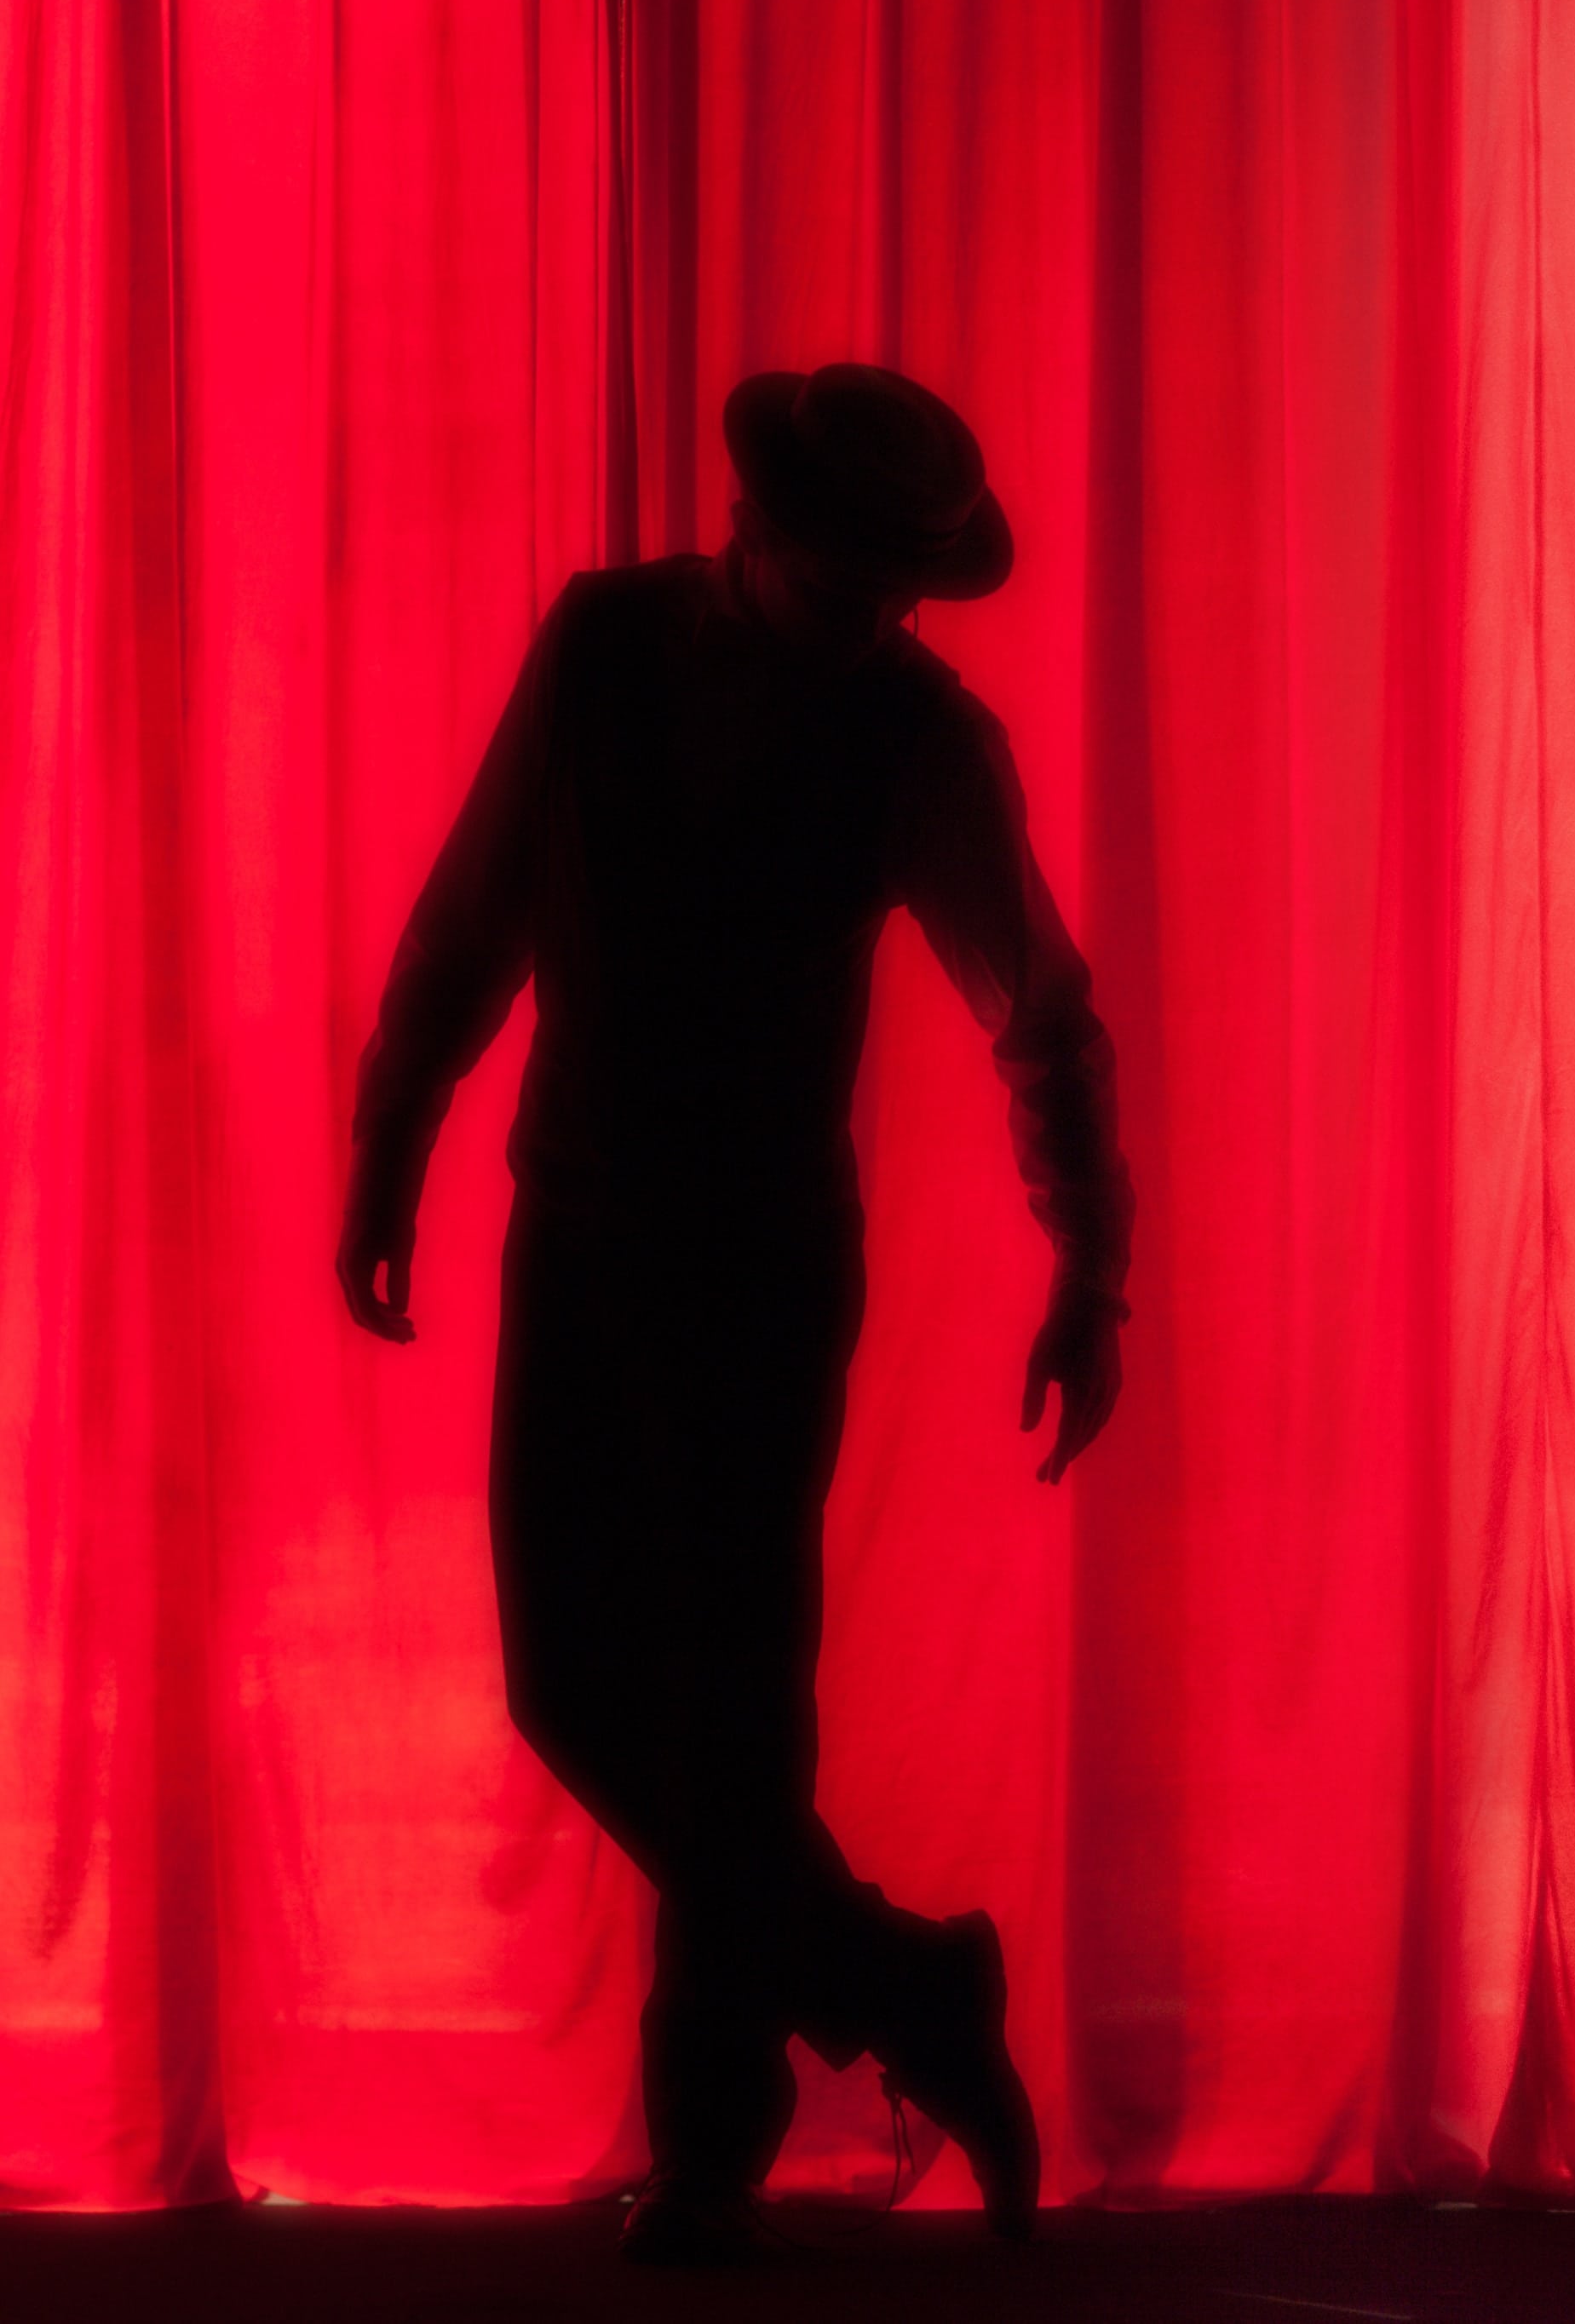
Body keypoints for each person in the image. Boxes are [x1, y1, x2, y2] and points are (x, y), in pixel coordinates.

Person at [336, 364, 1129, 2266]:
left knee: (732, 1710)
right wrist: (393, 1135)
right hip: (581, 1216)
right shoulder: (606, 641)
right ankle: (907, 1986)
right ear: (756, 524)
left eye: (895, 587)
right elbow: (477, 908)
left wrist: (1089, 1266)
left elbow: (1039, 1011)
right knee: (574, 1684)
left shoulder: (918, 735)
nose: (870, 615)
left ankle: (714, 2138)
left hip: (764, 1252)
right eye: (844, 572)